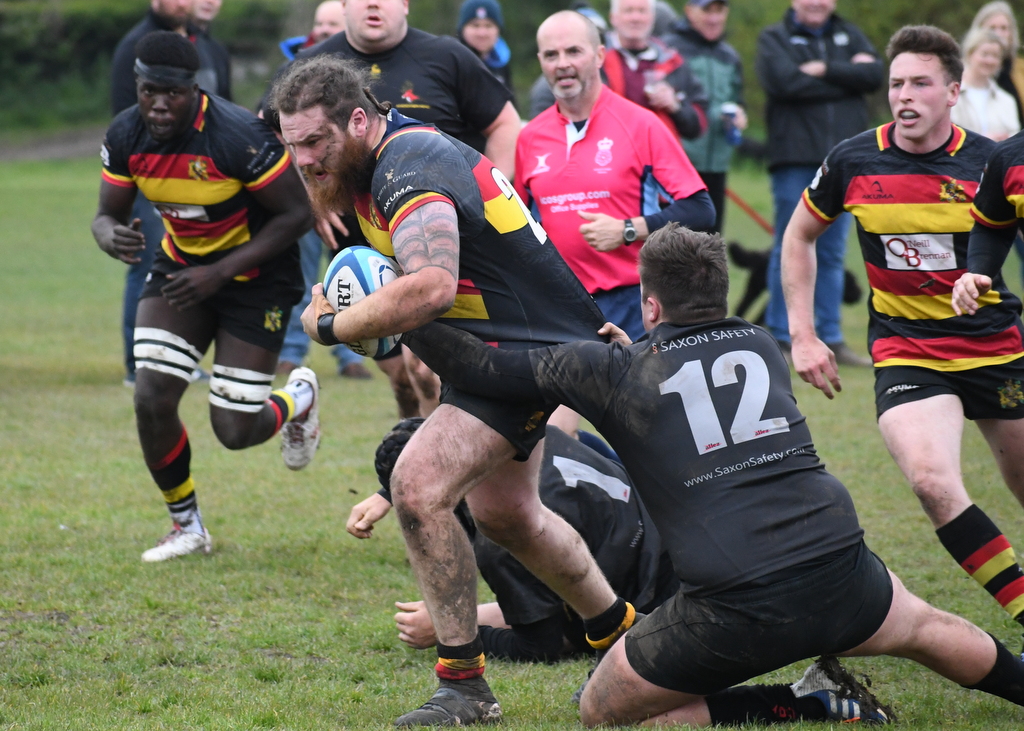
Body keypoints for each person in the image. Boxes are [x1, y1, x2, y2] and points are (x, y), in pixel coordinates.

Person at [402, 223, 1024, 727]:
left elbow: (482, 371)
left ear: (649, 304)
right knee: (924, 627)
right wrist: (625, 355)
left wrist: (400, 315)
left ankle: (806, 704)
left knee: (600, 709)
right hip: (841, 563)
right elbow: (684, 373)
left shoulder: (614, 371)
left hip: (733, 601)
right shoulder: (761, 344)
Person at [270, 55, 639, 727]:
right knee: (510, 516)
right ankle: (621, 639)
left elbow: (433, 284)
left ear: (359, 121)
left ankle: (465, 686)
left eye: (316, 141)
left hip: (532, 356)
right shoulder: (368, 169)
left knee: (417, 486)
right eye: (292, 144)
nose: (304, 159)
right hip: (503, 356)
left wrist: (332, 324)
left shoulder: (408, 167)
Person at [783, 25, 1024, 633]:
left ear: (953, 91)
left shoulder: (992, 162)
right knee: (931, 482)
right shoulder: (853, 159)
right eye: (896, 84)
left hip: (996, 347)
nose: (904, 96)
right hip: (908, 350)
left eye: (920, 83)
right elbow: (798, 237)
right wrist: (804, 334)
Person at [93, 32, 319, 562]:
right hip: (182, 270)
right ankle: (186, 525)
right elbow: (106, 214)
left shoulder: (238, 136)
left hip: (257, 280)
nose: (159, 104)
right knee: (151, 396)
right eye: (149, 91)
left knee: (235, 430)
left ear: (193, 89)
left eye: (172, 93)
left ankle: (299, 398)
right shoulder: (126, 133)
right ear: (137, 86)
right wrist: (110, 236)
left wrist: (219, 273)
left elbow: (297, 215)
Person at [288, 0, 521, 416]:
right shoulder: (313, 65)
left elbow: (505, 122)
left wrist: (490, 197)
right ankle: (412, 435)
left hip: (438, 230)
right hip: (359, 241)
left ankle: (432, 444)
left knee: (426, 366)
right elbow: (275, 133)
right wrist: (311, 194)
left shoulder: (447, 55)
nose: (373, 4)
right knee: (401, 372)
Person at [350, 420, 678, 662]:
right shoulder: (536, 436)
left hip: (661, 605)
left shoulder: (505, 532)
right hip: (678, 541)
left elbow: (543, 646)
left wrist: (450, 633)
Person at [516, 11, 714, 341]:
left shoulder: (641, 124)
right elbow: (521, 228)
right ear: (541, 62)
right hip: (557, 309)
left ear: (599, 56)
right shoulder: (529, 137)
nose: (562, 64)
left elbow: (700, 209)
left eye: (574, 51)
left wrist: (627, 230)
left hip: (632, 304)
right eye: (551, 55)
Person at [756, 0, 882, 366]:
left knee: (832, 252)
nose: (816, 3)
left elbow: (874, 76)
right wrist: (848, 80)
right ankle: (781, 335)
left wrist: (825, 69)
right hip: (793, 159)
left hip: (842, 163)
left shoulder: (851, 34)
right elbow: (784, 82)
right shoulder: (774, 38)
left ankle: (831, 337)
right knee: (789, 244)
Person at [110, 0, 194, 387]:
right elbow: (127, 117)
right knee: (148, 264)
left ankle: (178, 358)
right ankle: (139, 364)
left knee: (187, 264)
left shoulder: (201, 43)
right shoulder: (136, 46)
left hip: (197, 173)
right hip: (152, 174)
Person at [664, 0, 746, 235]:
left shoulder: (730, 55)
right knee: (673, 242)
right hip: (678, 164)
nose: (714, 18)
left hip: (717, 164)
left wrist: (740, 115)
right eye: (706, 10)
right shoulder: (669, 49)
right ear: (689, 11)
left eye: (719, 11)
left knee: (711, 241)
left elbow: (737, 99)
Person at [603, 0, 708, 142]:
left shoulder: (674, 62)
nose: (636, 18)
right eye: (628, 11)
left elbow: (699, 125)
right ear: (613, 18)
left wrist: (675, 105)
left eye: (642, 11)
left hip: (659, 152)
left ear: (652, 18)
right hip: (609, 147)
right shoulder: (596, 60)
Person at [951, 28, 1020, 141]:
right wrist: (984, 141)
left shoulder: (1007, 101)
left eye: (995, 56)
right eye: (984, 54)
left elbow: (1015, 141)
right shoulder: (951, 94)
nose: (990, 61)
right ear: (970, 54)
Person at [970, 1, 1024, 127]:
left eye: (1004, 28)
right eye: (992, 28)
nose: (998, 34)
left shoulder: (1021, 69)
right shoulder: (964, 72)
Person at [457, 0, 513, 92]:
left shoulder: (501, 61)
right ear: (462, 29)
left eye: (488, 26)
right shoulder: (452, 62)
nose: (482, 33)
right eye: (475, 25)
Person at [280, 0, 346, 60]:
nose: (324, 30)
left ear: (347, 26)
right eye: (319, 24)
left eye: (333, 24)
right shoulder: (294, 60)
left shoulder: (351, 63)